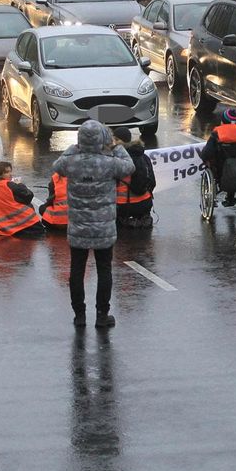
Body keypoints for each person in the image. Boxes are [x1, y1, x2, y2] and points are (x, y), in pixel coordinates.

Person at [51, 120, 134, 329]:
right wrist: (117, 147)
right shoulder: (109, 163)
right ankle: (102, 314)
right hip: (103, 228)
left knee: (76, 270)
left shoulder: (71, 162)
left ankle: (79, 315)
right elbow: (129, 166)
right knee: (104, 269)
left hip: (78, 226)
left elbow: (57, 165)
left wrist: (75, 147)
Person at [200, 108, 236, 206]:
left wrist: (204, 158)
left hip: (221, 170)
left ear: (223, 121)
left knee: (211, 163)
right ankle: (231, 197)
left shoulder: (217, 133)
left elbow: (207, 153)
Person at [0, 161, 44, 236]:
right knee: (29, 205)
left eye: (10, 171)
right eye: (7, 172)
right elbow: (28, 196)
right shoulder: (11, 185)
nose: (10, 174)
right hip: (25, 225)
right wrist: (20, 184)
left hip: (1, 226)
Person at [113, 127, 155, 229]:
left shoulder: (117, 159)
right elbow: (152, 183)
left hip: (124, 206)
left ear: (118, 141)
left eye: (114, 140)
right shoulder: (144, 157)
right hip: (146, 204)